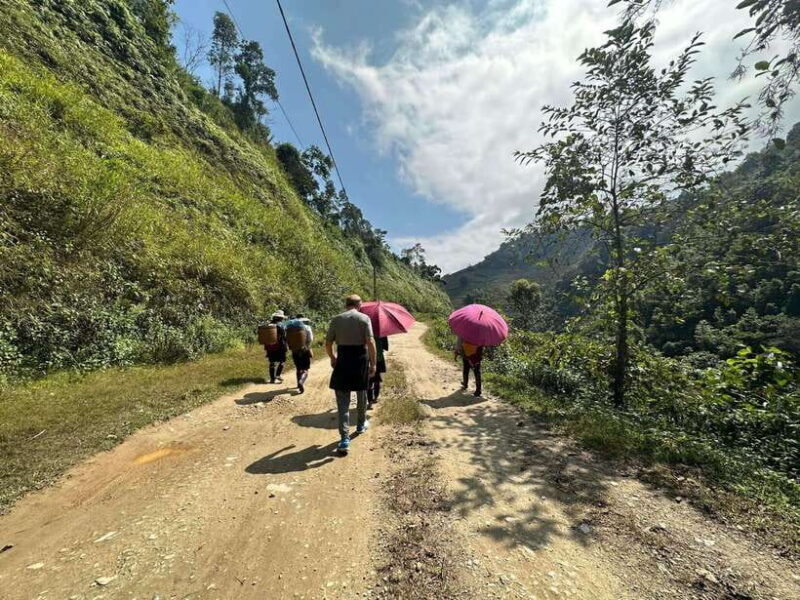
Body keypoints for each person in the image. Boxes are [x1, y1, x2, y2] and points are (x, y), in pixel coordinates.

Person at [325, 295, 377, 453]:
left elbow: (328, 343)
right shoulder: (364, 319)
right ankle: (361, 425)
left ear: (346, 305)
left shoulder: (336, 319)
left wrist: (333, 358)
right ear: (359, 305)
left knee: (342, 401)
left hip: (343, 360)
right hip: (360, 360)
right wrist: (373, 363)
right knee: (362, 394)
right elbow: (370, 342)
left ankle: (344, 439)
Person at [287, 314, 314, 394]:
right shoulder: (307, 327)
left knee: (298, 368)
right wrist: (307, 345)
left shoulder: (289, 328)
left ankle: (298, 385)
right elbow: (310, 339)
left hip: (294, 350)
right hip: (304, 350)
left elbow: (287, 339)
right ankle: (301, 381)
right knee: (305, 369)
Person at [265, 310, 288, 384]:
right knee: (282, 361)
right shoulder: (282, 325)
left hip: (270, 347)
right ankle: (278, 375)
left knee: (272, 362)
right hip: (280, 346)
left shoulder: (269, 325)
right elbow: (284, 336)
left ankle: (272, 379)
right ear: (281, 318)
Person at [367, 336, 388, 408]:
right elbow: (385, 347)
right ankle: (375, 398)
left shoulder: (365, 331)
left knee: (369, 380)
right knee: (377, 379)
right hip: (378, 358)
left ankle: (370, 401)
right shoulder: (381, 332)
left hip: (368, 358)